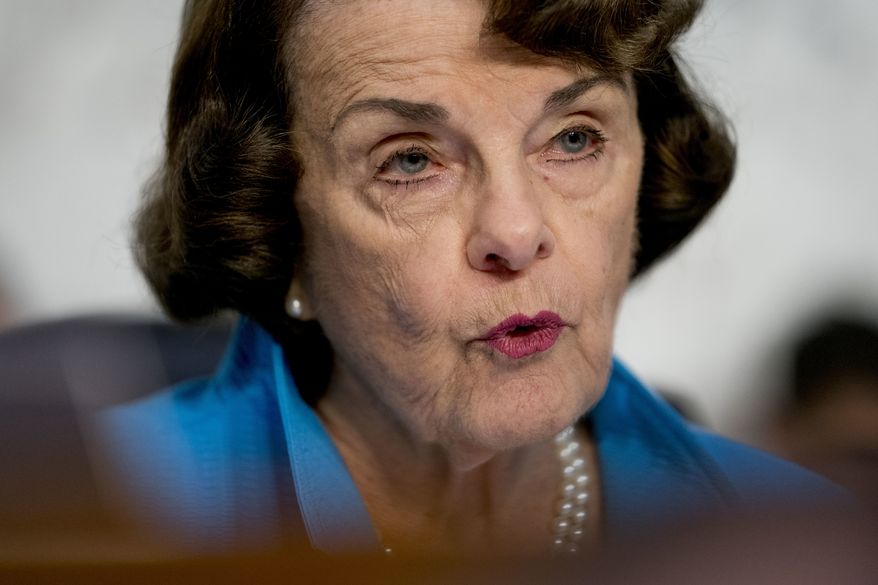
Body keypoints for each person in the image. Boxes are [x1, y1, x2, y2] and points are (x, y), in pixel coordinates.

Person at [96, 0, 844, 559]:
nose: (517, 234)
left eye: (574, 137)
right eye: (411, 160)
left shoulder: (809, 541)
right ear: (276, 227)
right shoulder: (79, 516)